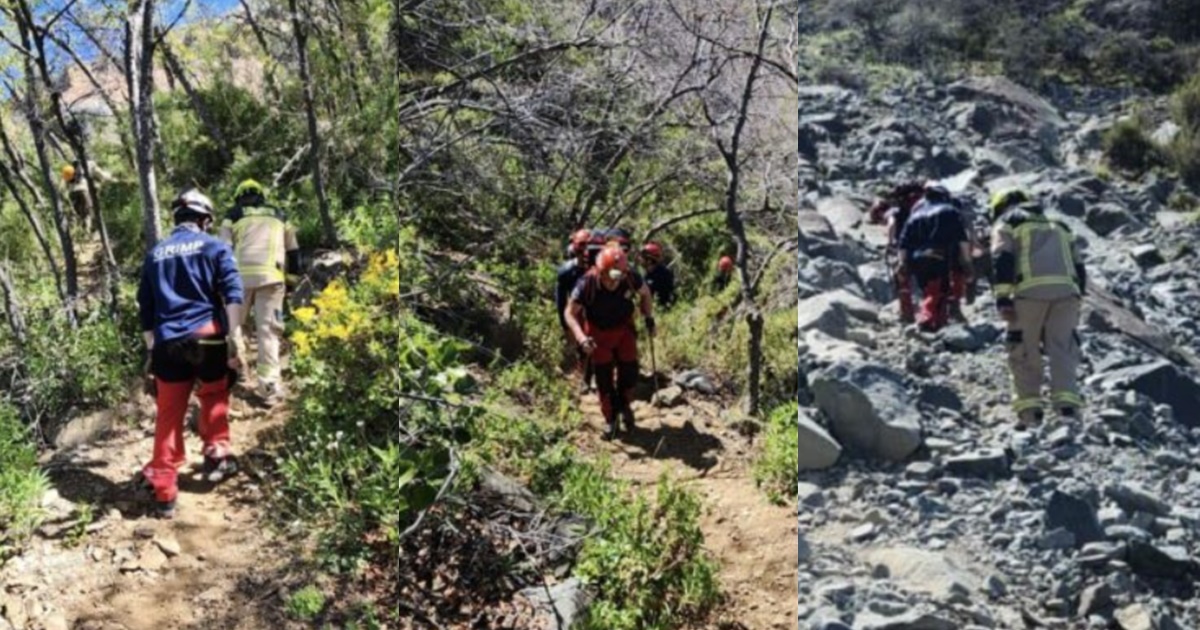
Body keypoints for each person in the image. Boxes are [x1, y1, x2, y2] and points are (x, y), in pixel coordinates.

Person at [137, 189, 244, 519]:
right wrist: (235, 336)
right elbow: (232, 292)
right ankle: (216, 454)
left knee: (169, 412)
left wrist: (152, 350)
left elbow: (146, 306)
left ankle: (165, 489)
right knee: (213, 394)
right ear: (205, 219)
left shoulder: (155, 254)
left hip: (168, 342)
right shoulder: (215, 246)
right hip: (208, 337)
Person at [989, 189, 1087, 427]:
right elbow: (1079, 265)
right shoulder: (1059, 223)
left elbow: (1002, 259)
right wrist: (1078, 296)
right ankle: (1068, 410)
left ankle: (1030, 412)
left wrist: (1002, 296)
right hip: (1067, 293)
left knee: (1023, 348)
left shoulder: (1008, 222)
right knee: (1063, 348)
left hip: (1029, 293)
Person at [218, 179, 300, 406]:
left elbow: (223, 249)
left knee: (234, 326)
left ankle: (239, 372)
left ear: (239, 196)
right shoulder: (279, 214)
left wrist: (221, 283)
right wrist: (292, 281)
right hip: (272, 278)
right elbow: (294, 251)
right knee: (269, 331)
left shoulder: (232, 215)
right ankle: (269, 387)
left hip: (239, 280)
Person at [564, 244, 655, 440]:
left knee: (630, 371)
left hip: (624, 330)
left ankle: (624, 405)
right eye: (610, 277)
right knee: (604, 378)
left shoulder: (629, 276)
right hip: (598, 334)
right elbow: (570, 313)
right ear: (600, 271)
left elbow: (645, 294)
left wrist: (649, 318)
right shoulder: (586, 283)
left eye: (618, 277)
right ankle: (611, 419)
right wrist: (581, 338)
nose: (614, 282)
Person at [897, 184, 973, 333]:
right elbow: (961, 238)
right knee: (939, 290)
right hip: (938, 255)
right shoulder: (949, 211)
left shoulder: (914, 215)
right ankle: (926, 321)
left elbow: (903, 243)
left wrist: (902, 263)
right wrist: (967, 261)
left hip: (917, 259)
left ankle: (937, 323)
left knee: (929, 289)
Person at [868, 182, 926, 323]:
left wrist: (889, 242)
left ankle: (907, 313)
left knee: (901, 278)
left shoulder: (892, 213)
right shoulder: (916, 209)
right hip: (923, 244)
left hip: (905, 247)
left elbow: (892, 224)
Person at [557, 229, 595, 393]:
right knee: (582, 346)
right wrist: (566, 326)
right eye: (581, 249)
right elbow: (560, 300)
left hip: (595, 312)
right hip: (576, 313)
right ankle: (583, 378)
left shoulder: (598, 271)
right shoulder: (566, 271)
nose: (584, 254)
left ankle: (590, 377)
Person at [62, 161, 113, 231]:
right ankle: (90, 231)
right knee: (88, 211)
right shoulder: (90, 164)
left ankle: (80, 230)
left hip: (72, 193)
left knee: (79, 214)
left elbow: (64, 184)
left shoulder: (71, 167)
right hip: (83, 190)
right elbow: (101, 175)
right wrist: (110, 178)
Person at [638, 242, 676, 308]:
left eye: (642, 257)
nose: (640, 259)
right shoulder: (649, 274)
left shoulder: (663, 275)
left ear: (649, 260)